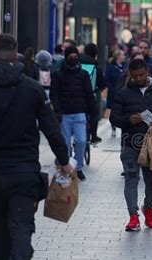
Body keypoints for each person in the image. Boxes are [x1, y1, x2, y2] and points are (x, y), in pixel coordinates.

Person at [0, 33, 72, 260]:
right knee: (21, 229)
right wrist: (64, 160)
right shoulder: (33, 90)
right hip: (25, 175)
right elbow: (52, 129)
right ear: (16, 54)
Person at [110, 58, 152, 231]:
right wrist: (128, 120)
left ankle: (148, 208)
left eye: (142, 75)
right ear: (130, 74)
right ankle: (133, 216)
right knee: (131, 179)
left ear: (147, 72)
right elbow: (113, 117)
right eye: (135, 76)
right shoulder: (124, 93)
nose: (138, 79)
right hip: (130, 143)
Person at [50, 46, 97, 181]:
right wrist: (58, 111)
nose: (73, 59)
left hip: (79, 112)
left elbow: (89, 94)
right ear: (66, 57)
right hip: (64, 113)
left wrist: (91, 112)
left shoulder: (83, 74)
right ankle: (68, 167)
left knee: (81, 141)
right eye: (71, 56)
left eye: (75, 56)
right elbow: (54, 95)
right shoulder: (58, 75)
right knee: (65, 144)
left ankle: (78, 168)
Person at [80, 43, 107, 144]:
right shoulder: (96, 67)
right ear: (95, 54)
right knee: (93, 114)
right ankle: (94, 136)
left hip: (78, 95)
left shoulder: (78, 64)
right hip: (91, 95)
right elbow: (102, 85)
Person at [105, 49, 126, 137]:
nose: (124, 56)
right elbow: (107, 80)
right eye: (122, 55)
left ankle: (122, 128)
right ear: (118, 56)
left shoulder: (125, 67)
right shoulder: (111, 67)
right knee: (114, 112)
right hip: (113, 93)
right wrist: (112, 89)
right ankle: (113, 127)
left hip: (123, 93)